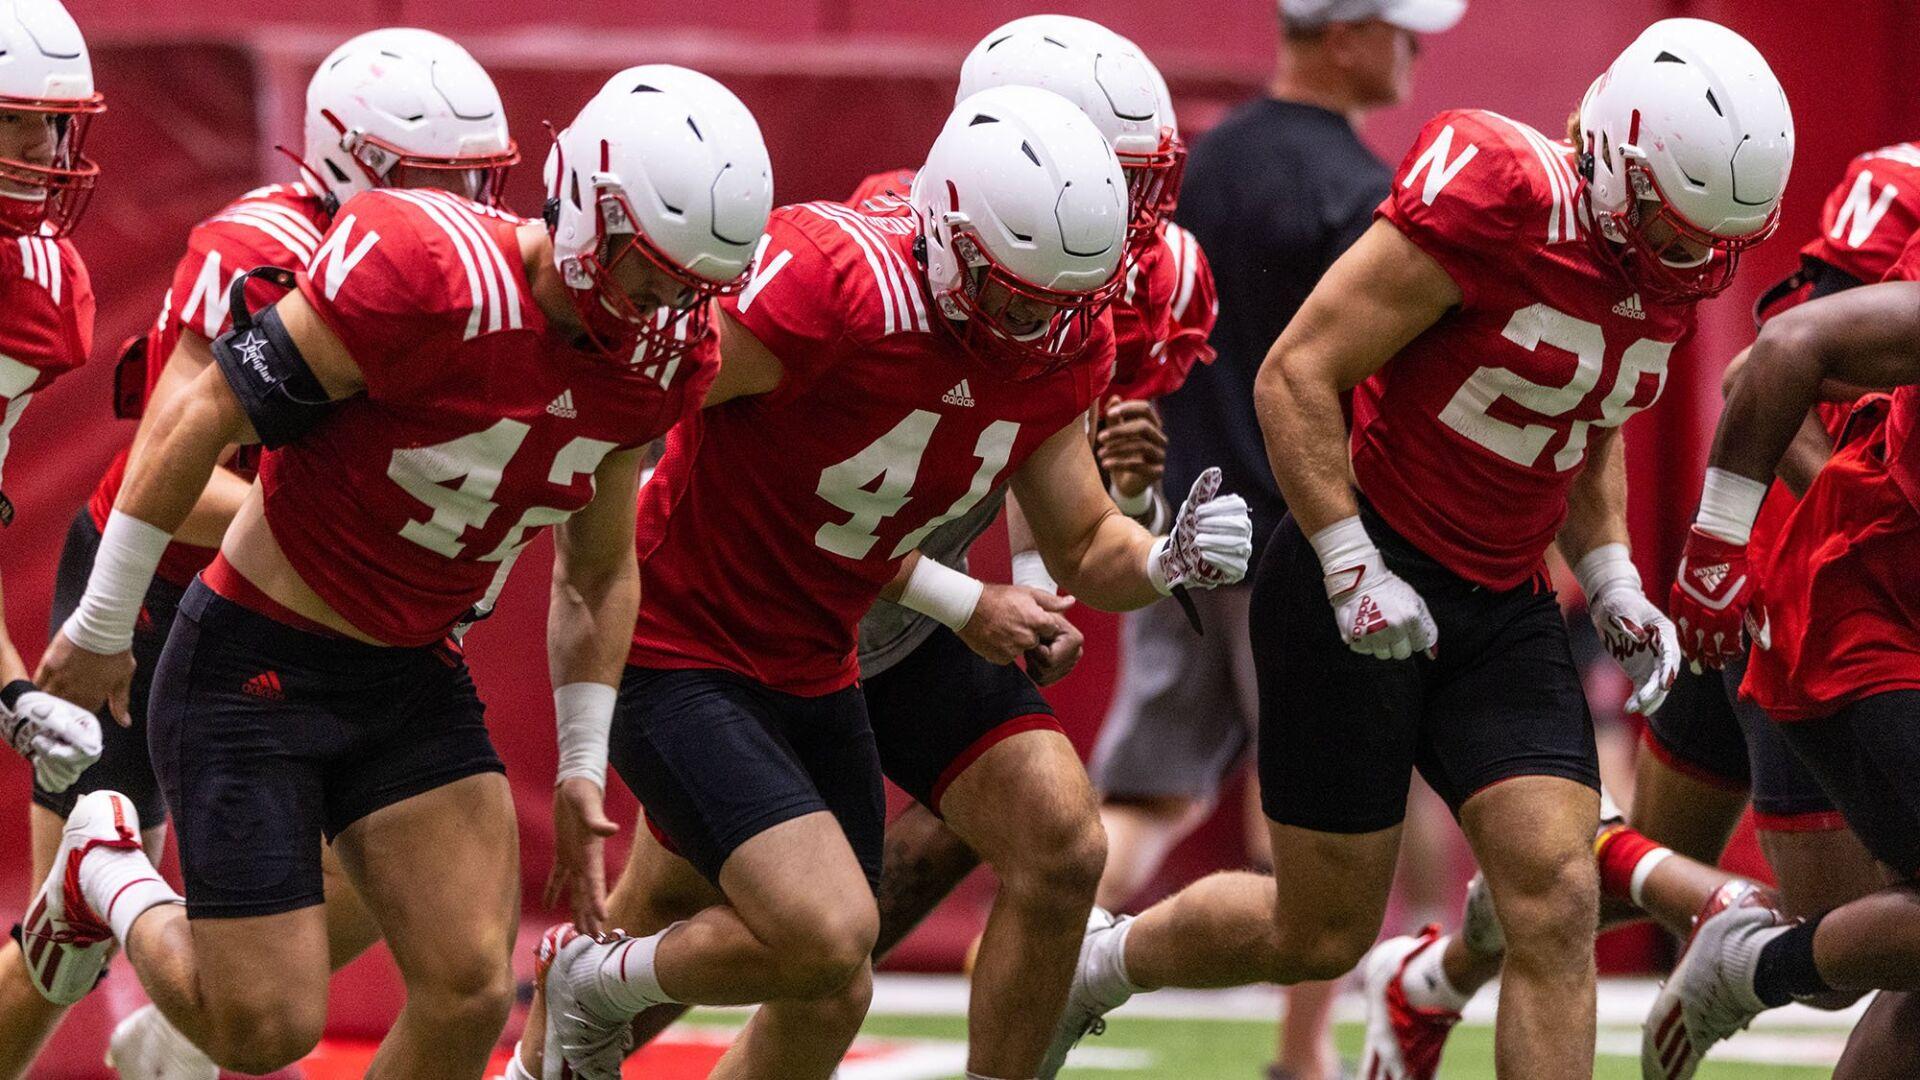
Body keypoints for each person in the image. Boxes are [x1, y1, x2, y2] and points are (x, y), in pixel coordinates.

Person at [1038, 17, 1794, 1080]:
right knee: (1320, 930)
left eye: (1719, 238)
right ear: (1619, 161)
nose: (1698, 262)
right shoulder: (1497, 192)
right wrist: (1351, 564)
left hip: (1504, 601)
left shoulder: (1655, 256)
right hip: (1364, 562)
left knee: (1558, 901)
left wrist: (1614, 573)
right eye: (1678, 231)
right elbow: (1295, 374)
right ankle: (1104, 966)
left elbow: (1588, 410)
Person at [23, 65, 771, 1078]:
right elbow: (200, 414)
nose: (672, 308)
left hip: (412, 673)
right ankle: (104, 871)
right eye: (656, 272)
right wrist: (105, 620)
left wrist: (584, 763)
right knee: (264, 1029)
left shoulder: (661, 360)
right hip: (257, 660)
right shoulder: (423, 269)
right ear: (591, 212)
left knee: (468, 990)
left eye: (698, 288)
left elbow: (597, 573)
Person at [514, 84, 1252, 1080]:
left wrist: (1165, 559)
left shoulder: (1065, 331)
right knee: (807, 934)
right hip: (690, 638)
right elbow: (640, 393)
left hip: (821, 654)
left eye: (1057, 306)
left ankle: (585, 1007)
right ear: (950, 235)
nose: (1029, 326)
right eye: (1011, 296)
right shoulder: (835, 283)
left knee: (835, 972)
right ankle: (592, 988)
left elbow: (1081, 544)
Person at [0, 28, 531, 1077]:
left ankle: (191, 1026)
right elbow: (173, 472)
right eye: (434, 181)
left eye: (477, 179)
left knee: (412, 877)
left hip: (321, 612)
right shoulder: (257, 254)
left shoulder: (484, 284)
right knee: (63, 948)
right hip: (161, 592)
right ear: (348, 165)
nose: (465, 205)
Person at [1360, 137, 1920, 1080]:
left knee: (1613, 873)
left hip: (1804, 586)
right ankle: (1737, 960)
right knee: (1837, 949)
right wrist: (1779, 527)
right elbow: (1768, 367)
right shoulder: (1897, 193)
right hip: (1810, 595)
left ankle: (1434, 977)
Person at [1090, 3, 1465, 1075]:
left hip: (1181, 533)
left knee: (1145, 799)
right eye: (1401, 28)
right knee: (1322, 820)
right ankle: (1302, 1060)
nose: (1416, 48)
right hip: (1298, 542)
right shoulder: (1357, 194)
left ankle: (1023, 952)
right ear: (1342, 32)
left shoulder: (1205, 166)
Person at [1646, 225, 1920, 1080]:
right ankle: (1756, 965)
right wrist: (1716, 546)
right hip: (1863, 623)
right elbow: (1783, 348)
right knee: (1849, 947)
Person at [0, 1, 105, 1066]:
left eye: (59, 123)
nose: (50, 151)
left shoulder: (36, 290)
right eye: (19, 123)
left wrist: (15, 694)